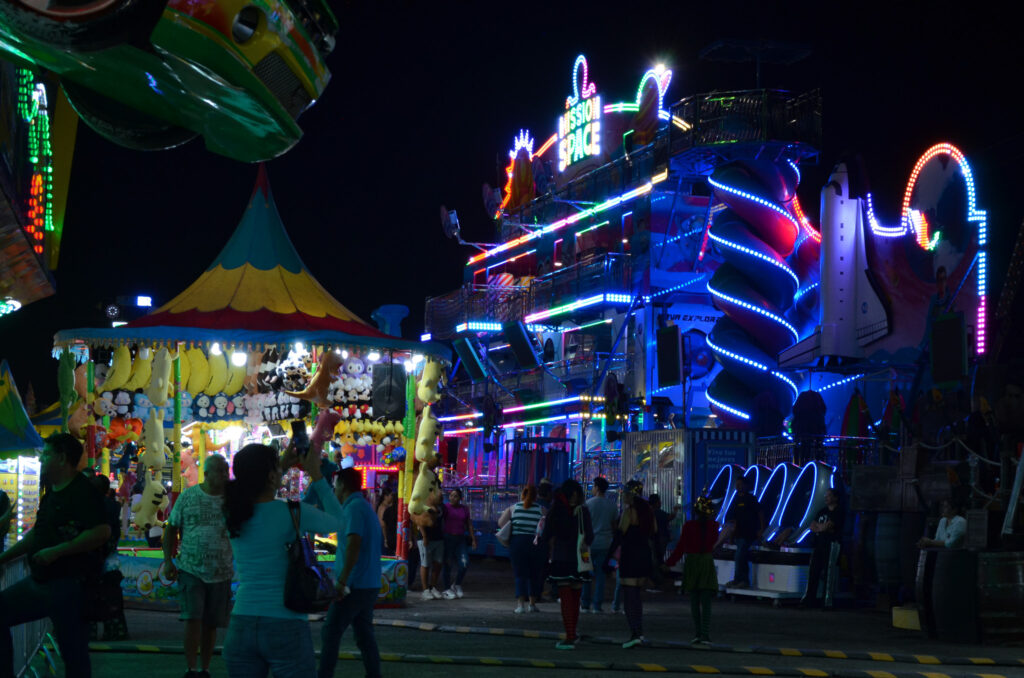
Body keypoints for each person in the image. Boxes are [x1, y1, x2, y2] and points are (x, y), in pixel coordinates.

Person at [221, 440, 344, 676]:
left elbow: (259, 493)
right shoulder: (292, 512)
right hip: (285, 623)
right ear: (270, 477)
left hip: (241, 623)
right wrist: (317, 475)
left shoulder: (232, 512)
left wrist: (281, 466)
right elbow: (340, 520)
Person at [0, 433, 110, 678]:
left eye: (47, 454)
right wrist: (4, 558)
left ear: (62, 458)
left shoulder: (83, 492)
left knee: (74, 654)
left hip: (71, 586)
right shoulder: (52, 492)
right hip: (42, 582)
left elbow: (101, 531)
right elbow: (37, 536)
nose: (42, 459)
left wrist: (57, 551)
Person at [163, 455, 233, 678]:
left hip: (221, 570)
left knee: (211, 622)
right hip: (191, 569)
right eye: (219, 471)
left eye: (225, 471)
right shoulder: (188, 497)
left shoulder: (232, 500)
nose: (224, 475)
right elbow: (171, 528)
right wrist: (168, 560)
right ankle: (191, 668)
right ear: (207, 474)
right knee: (193, 618)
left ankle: (205, 668)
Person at [318, 467, 382, 678]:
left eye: (335, 485)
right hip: (369, 583)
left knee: (331, 631)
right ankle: (374, 674)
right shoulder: (364, 507)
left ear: (343, 485)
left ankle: (324, 675)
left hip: (354, 585)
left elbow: (354, 544)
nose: (334, 489)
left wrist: (342, 581)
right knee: (364, 634)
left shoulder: (353, 508)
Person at [539, 479, 592, 650]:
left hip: (561, 558)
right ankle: (573, 633)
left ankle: (569, 635)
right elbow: (590, 536)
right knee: (575, 599)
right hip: (579, 559)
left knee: (566, 600)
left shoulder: (556, 510)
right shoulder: (583, 511)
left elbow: (547, 535)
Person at [665, 492, 719, 645]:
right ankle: (705, 634)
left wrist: (668, 563)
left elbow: (680, 547)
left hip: (692, 562)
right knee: (706, 602)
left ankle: (697, 633)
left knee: (694, 601)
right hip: (706, 561)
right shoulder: (714, 527)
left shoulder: (689, 526)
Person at [88, 473, 129, 642]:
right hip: (110, 559)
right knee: (112, 597)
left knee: (89, 596)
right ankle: (115, 630)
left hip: (90, 557)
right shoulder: (113, 506)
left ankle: (90, 629)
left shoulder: (88, 506)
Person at [613, 480, 654, 648]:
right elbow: (655, 534)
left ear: (630, 494)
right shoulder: (648, 512)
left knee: (629, 597)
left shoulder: (629, 513)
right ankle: (640, 632)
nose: (622, 496)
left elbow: (620, 535)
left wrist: (609, 558)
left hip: (630, 556)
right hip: (644, 555)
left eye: (625, 493)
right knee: (637, 596)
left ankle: (634, 633)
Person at [498, 485, 545, 613]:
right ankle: (532, 604)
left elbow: (500, 523)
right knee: (534, 574)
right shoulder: (541, 509)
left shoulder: (513, 508)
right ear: (536, 496)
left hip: (517, 543)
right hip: (535, 544)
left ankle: (520, 606)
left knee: (520, 574)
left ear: (522, 494)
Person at [800, 488, 845, 610]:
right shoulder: (822, 511)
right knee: (813, 571)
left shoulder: (839, 511)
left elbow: (829, 526)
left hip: (831, 544)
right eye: (825, 495)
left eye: (829, 495)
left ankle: (827, 602)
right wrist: (822, 528)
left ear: (835, 497)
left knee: (829, 572)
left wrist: (821, 528)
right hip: (819, 544)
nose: (826, 498)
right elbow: (813, 526)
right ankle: (809, 600)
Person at [581, 477, 616, 613]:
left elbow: (582, 525)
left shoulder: (587, 504)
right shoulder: (611, 505)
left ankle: (585, 604)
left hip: (586, 544)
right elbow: (614, 526)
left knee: (585, 573)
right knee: (601, 575)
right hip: (605, 544)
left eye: (593, 486)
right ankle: (597, 605)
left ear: (596, 487)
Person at [723, 477, 763, 588]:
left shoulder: (751, 499)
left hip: (748, 533)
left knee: (740, 556)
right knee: (739, 556)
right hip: (738, 533)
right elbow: (731, 518)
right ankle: (739, 580)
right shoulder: (735, 500)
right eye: (737, 484)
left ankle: (742, 580)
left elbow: (760, 514)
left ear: (746, 486)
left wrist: (761, 529)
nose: (738, 486)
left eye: (740, 484)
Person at [441, 488, 476, 599]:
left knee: (464, 563)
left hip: (460, 539)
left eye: (455, 496)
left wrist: (473, 539)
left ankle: (457, 584)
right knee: (447, 564)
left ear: (460, 498)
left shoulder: (464, 509)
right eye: (451, 495)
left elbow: (469, 524)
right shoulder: (445, 507)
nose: (453, 497)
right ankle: (446, 588)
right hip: (447, 538)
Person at [418, 493, 445, 600]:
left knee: (438, 563)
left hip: (438, 538)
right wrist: (424, 536)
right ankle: (425, 590)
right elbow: (419, 521)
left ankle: (433, 586)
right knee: (425, 563)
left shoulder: (441, 507)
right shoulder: (424, 505)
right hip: (426, 538)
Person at [376, 488, 397, 556]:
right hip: (383, 534)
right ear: (385, 496)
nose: (392, 497)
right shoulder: (383, 508)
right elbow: (383, 524)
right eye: (391, 495)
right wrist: (385, 539)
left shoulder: (384, 507)